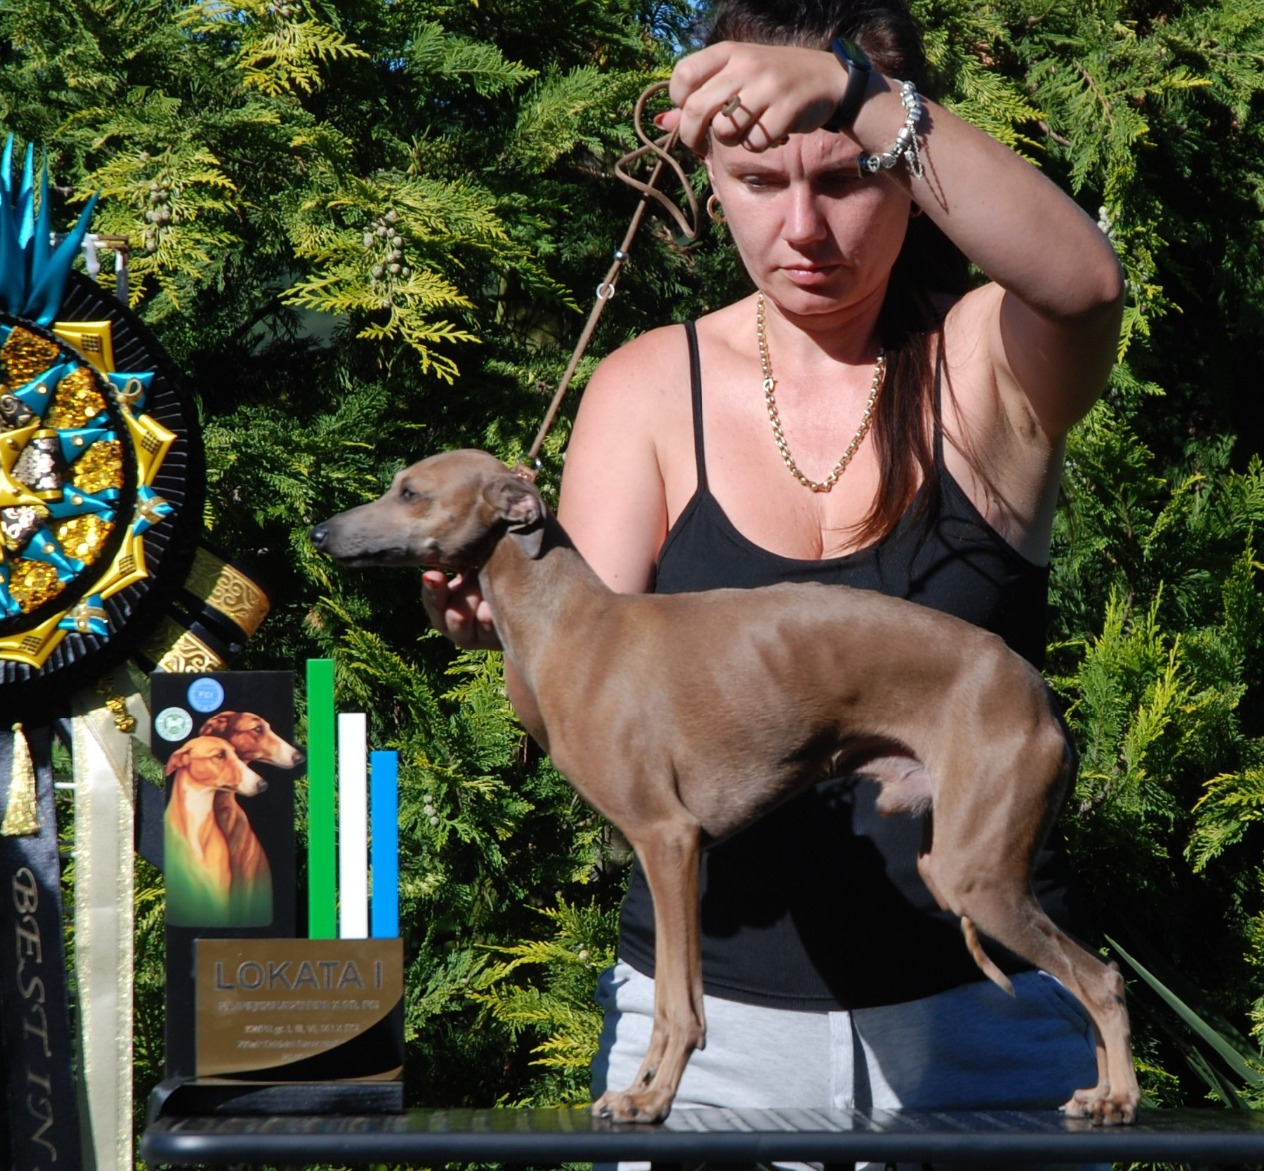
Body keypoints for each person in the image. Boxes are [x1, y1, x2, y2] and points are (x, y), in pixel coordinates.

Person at [422, 0, 1124, 1157]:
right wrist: (496, 622)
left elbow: (1085, 282)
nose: (803, 227)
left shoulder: (986, 364)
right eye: (756, 181)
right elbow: (564, 709)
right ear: (705, 176)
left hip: (983, 1042)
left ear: (905, 170)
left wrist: (854, 92)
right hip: (713, 1063)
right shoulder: (645, 390)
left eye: (845, 176)